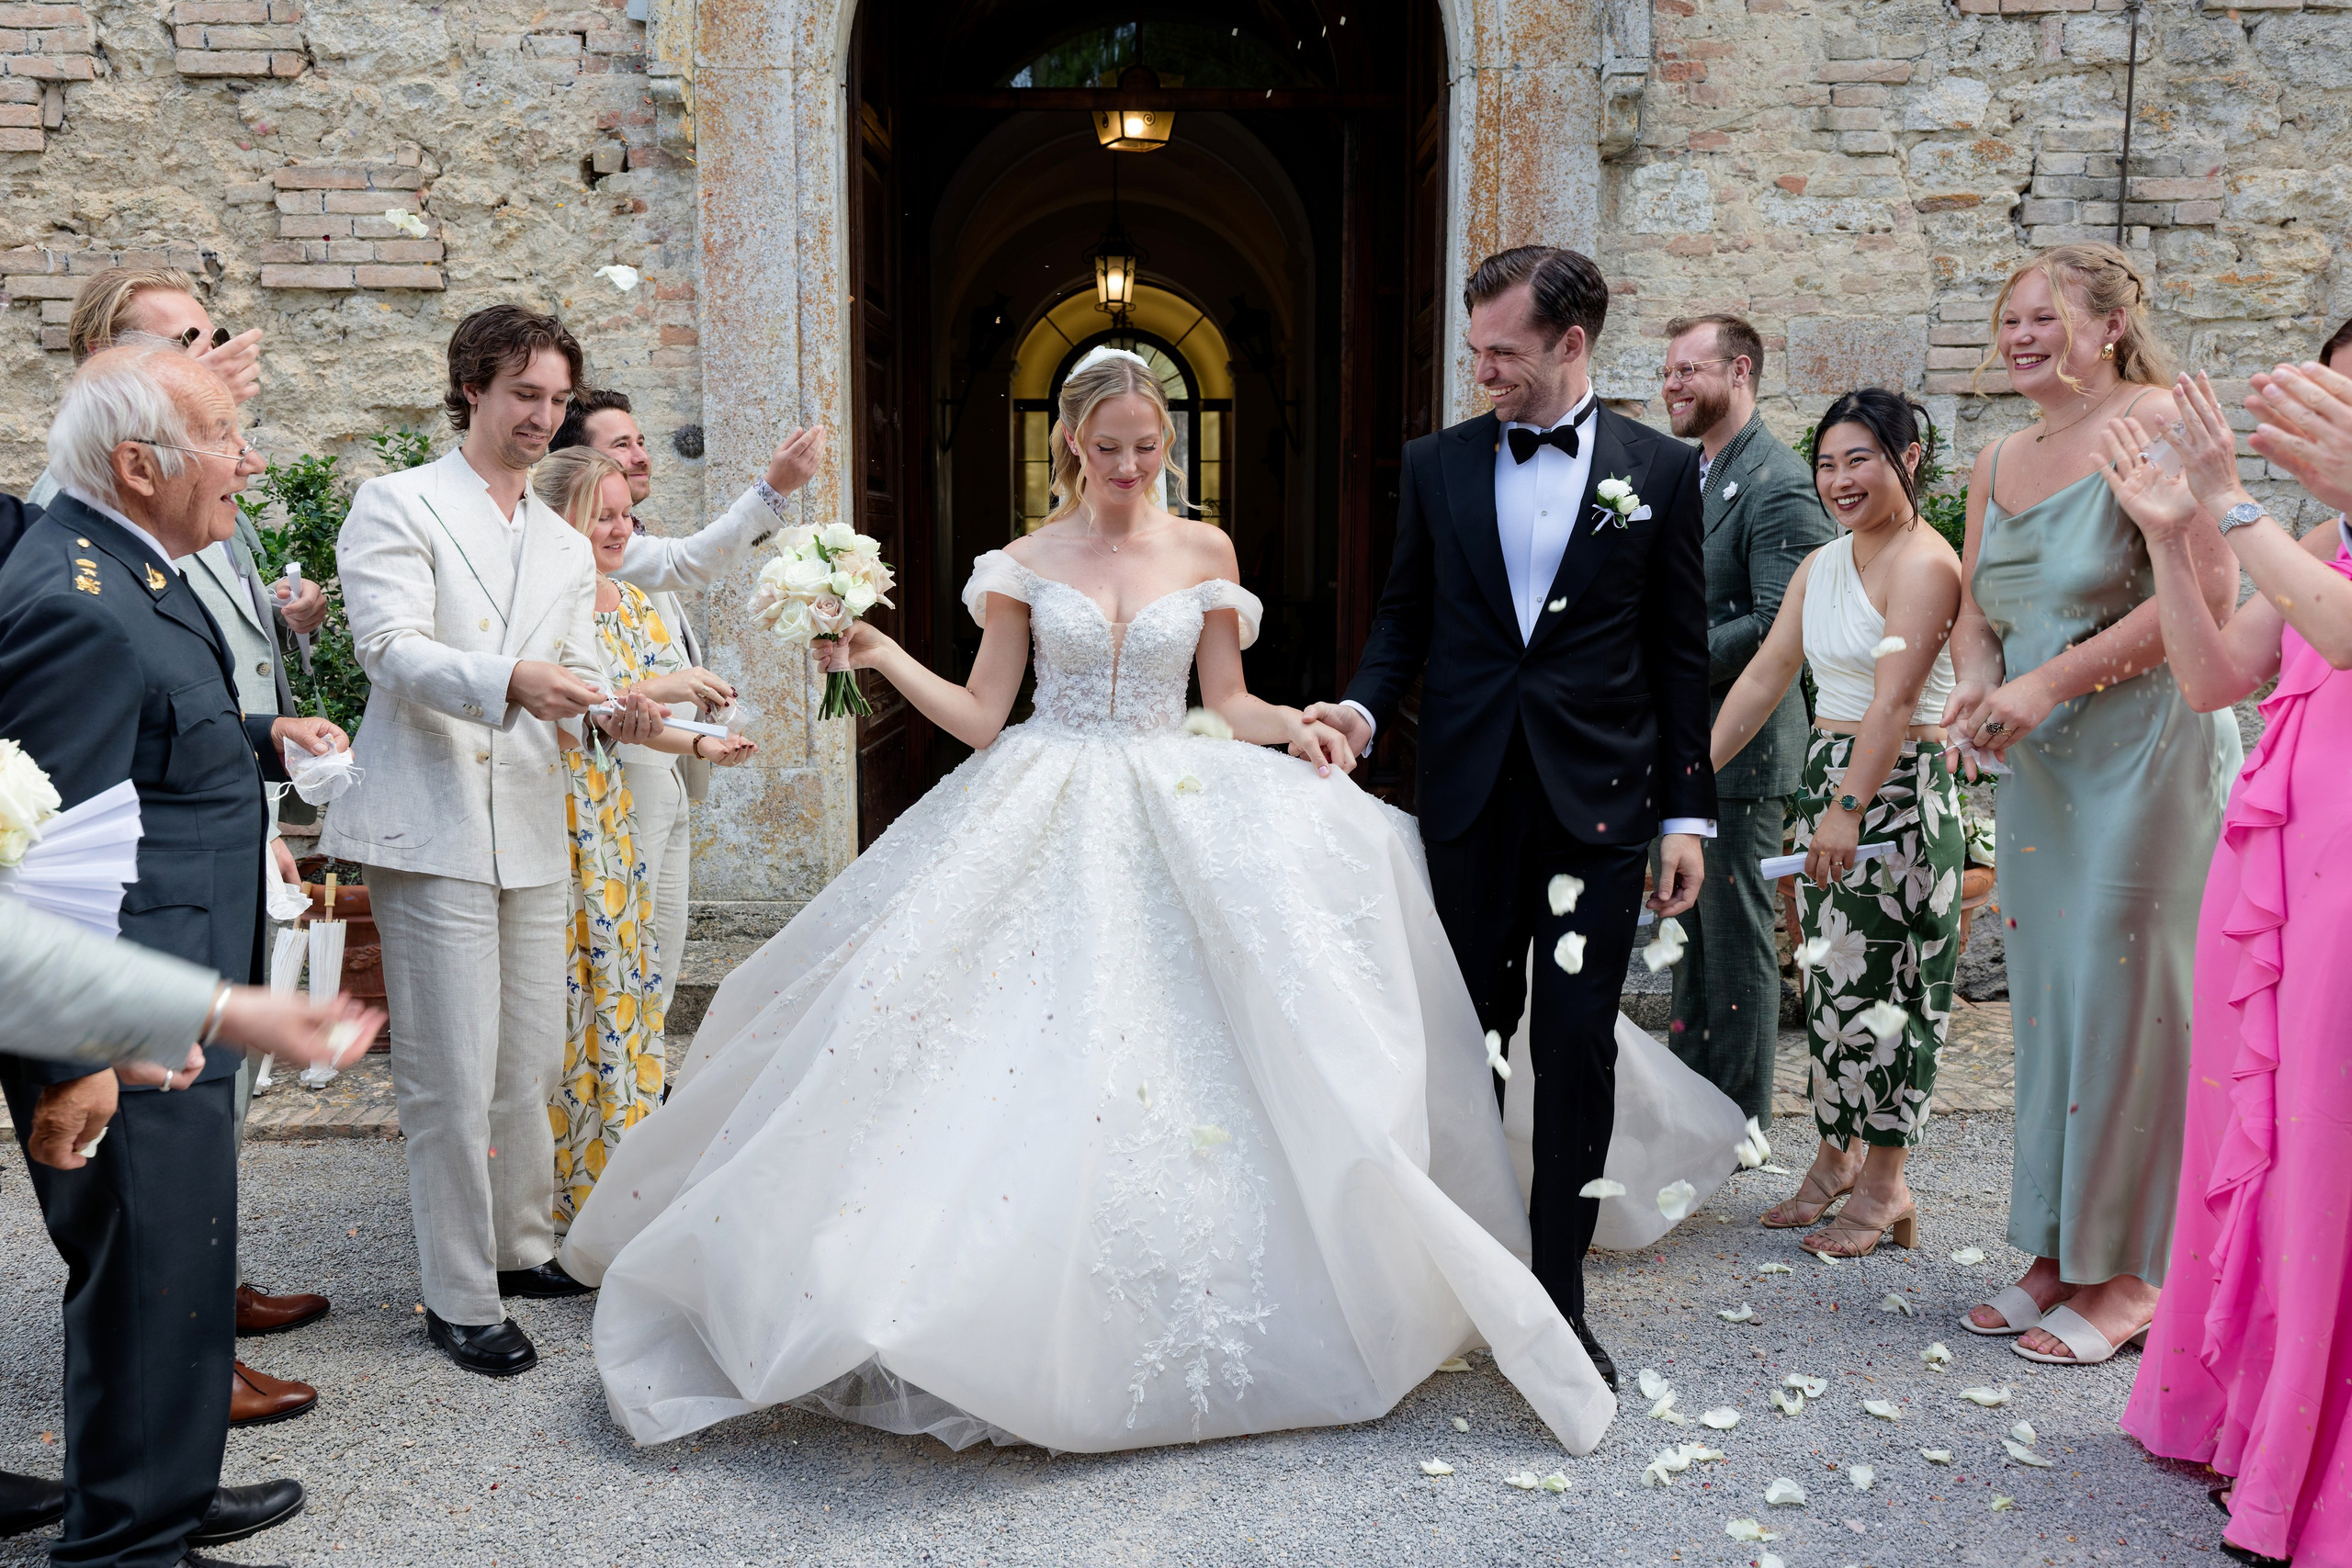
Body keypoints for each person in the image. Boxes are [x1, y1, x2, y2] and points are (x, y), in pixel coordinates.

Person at [560, 344, 1619, 1459]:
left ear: (1167, 441)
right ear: (1072, 441)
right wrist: (874, 649)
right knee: (1019, 1042)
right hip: (1044, 790)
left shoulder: (1204, 548)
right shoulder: (1021, 560)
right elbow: (979, 717)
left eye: (1147, 447)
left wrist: (1298, 722)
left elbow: (1228, 699)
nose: (1127, 466)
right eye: (1107, 447)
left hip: (1181, 785)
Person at [1305, 246, 1713, 1390]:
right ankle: (1462, 1278)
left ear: (1571, 345)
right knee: (1465, 1036)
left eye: (1504, 353)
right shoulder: (1435, 465)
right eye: (1474, 350)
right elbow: (1402, 624)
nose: (1482, 371)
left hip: (1602, 809)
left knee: (1576, 1043)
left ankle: (1558, 1295)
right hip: (1470, 799)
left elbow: (1681, 662)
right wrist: (1357, 716)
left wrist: (1687, 814)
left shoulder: (1662, 472)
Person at [0, 346, 345, 1568]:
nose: (248, 461)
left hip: (169, 998)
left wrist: (254, 735)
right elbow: (48, 851)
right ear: (139, 465)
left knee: (177, 1267)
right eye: (224, 436)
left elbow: (146, 743)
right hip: (132, 1029)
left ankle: (164, 1495)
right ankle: (125, 1545)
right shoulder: (72, 599)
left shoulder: (126, 564)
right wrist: (83, 1056)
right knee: (147, 1276)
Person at [319, 305, 661, 1378]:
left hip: (528, 817)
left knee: (529, 1059)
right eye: (525, 396)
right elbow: (389, 650)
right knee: (449, 1073)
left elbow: (578, 674)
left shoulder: (562, 539)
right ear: (471, 385)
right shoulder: (399, 503)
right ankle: (456, 1295)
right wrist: (511, 681)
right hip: (428, 819)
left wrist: (641, 714)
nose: (543, 418)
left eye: (559, 402)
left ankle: (518, 1249)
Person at [1942, 243, 2242, 1364]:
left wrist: (2043, 682)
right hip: (2042, 767)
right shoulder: (1998, 452)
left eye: (2045, 318)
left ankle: (2132, 1271)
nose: (2020, 337)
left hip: (2147, 757)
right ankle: (2055, 1248)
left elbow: (2209, 594)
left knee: (2131, 1006)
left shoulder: (2156, 418)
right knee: (2052, 1005)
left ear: (2111, 326)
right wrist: (1978, 676)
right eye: (2008, 319)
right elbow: (1978, 606)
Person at [2109, 344, 2352, 1568]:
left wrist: (2231, 501)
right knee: (2266, 1144)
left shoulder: (2307, 536)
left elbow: (2346, 636)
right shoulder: (2326, 532)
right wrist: (2170, 528)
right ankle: (2265, 1427)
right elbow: (2212, 678)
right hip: (2278, 875)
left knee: (2329, 1159)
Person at [1707, 389, 1964, 1256]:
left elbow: (1895, 701)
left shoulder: (1926, 564)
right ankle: (1832, 1160)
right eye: (1827, 462)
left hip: (1896, 789)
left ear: (1908, 459)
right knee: (1832, 988)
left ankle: (1887, 1183)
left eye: (1860, 459)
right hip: (1829, 779)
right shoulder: (1822, 564)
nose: (1840, 478)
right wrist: (1689, 772)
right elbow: (1766, 673)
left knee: (1896, 993)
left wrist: (1851, 807)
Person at [549, 389, 822, 1058]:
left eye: (641, 441)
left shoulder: (628, 548)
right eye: (621, 446)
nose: (640, 455)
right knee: (622, 945)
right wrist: (775, 487)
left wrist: (703, 731)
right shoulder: (577, 564)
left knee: (663, 942)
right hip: (613, 778)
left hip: (667, 765)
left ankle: (643, 1078)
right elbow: (687, 567)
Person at [528, 448, 754, 1228]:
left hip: (614, 815)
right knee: (568, 1008)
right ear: (559, 519)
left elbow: (647, 718)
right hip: (556, 810)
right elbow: (580, 698)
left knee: (628, 989)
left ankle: (616, 1186)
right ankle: (554, 1199)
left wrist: (703, 744)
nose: (621, 527)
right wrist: (660, 694)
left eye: (627, 513)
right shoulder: (541, 601)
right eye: (604, 514)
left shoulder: (631, 600)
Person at [1656, 313, 1837, 1122]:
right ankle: (1689, 1109)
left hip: (1748, 751)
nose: (1672, 384)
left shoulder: (1779, 480)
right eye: (1668, 371)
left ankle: (1738, 1124)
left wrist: (1667, 651)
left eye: (1689, 370)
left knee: (1735, 944)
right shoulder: (1690, 470)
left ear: (1740, 371)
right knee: (1688, 941)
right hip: (1687, 739)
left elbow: (1778, 626)